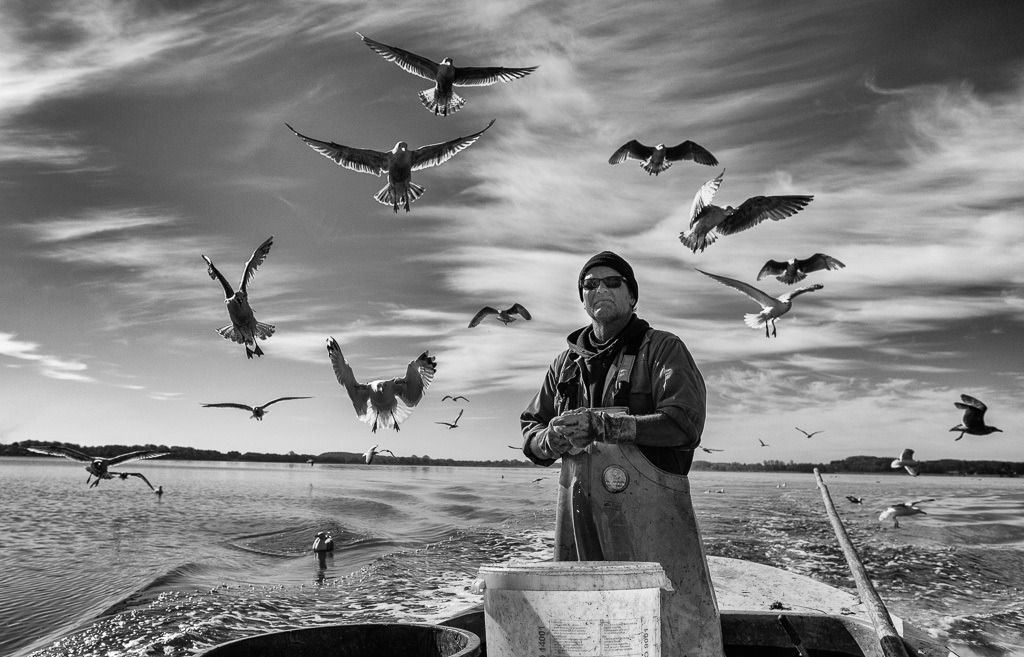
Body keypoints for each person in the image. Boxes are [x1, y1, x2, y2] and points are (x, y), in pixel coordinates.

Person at [520, 250, 724, 657]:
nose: (601, 289)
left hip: (654, 530)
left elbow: (685, 424)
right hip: (579, 527)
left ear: (633, 296)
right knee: (583, 629)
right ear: (582, 299)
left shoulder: (663, 349)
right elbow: (531, 429)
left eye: (613, 282)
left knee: (670, 632)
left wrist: (606, 425)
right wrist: (552, 441)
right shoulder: (563, 365)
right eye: (590, 284)